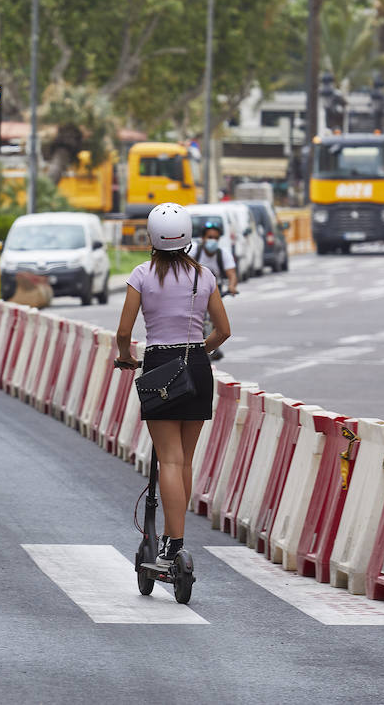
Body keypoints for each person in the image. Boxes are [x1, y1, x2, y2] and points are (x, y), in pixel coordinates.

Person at [114, 203, 231, 568]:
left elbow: (123, 332)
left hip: (160, 367)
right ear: (188, 237)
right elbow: (223, 331)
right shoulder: (204, 276)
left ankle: (173, 542)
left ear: (151, 237)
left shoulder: (142, 275)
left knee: (168, 459)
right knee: (184, 460)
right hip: (196, 367)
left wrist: (124, 357)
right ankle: (174, 541)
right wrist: (198, 352)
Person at [189, 221, 237, 361]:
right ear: (203, 238)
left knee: (219, 319)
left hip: (215, 291)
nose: (213, 241)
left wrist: (232, 286)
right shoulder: (194, 252)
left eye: (216, 238)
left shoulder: (223, 254)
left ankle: (214, 345)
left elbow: (231, 274)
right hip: (195, 291)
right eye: (209, 237)